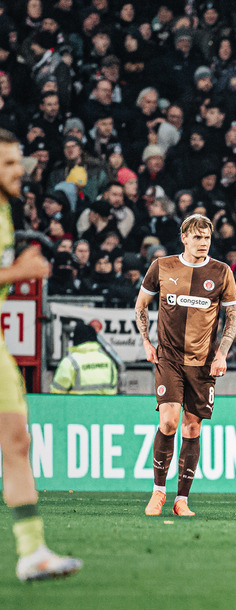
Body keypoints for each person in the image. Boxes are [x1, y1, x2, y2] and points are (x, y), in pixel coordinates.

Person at [0, 129, 83, 581]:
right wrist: (20, 270)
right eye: (10, 164)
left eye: (20, 162)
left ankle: (32, 552)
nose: (21, 171)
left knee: (17, 441)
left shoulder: (7, 212)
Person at [134, 214, 236, 517]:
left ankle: (182, 499)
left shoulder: (221, 272)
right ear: (184, 238)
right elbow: (141, 306)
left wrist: (221, 354)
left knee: (192, 427)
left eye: (207, 238)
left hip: (203, 362)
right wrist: (145, 341)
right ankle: (158, 492)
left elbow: (231, 318)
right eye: (197, 237)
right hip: (168, 357)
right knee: (168, 421)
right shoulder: (162, 267)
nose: (203, 243)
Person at [49, 321, 118, 395]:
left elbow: (57, 392)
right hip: (106, 405)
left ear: (76, 339)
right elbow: (113, 389)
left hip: (77, 405)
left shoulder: (70, 362)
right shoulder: (108, 361)